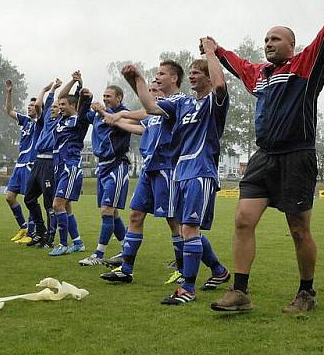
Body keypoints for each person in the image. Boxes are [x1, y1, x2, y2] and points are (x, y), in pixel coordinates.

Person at [209, 0, 324, 314]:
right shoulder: (258, 74)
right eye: (266, 39)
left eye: (276, 38)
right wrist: (214, 48)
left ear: (292, 45)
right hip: (263, 157)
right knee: (243, 220)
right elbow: (236, 63)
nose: (268, 43)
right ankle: (240, 292)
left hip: (297, 156)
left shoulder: (306, 65)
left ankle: (306, 293)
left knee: (298, 230)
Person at [116, 46, 229, 305]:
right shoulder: (183, 103)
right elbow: (151, 106)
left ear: (209, 76)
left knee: (188, 227)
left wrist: (211, 53)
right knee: (188, 229)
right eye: (189, 72)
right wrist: (140, 79)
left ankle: (187, 289)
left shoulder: (215, 101)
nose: (192, 76)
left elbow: (221, 84)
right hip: (180, 172)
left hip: (200, 171)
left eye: (197, 72)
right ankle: (219, 271)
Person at [80, 63, 185, 282]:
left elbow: (141, 111)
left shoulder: (177, 102)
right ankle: (126, 270)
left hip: (166, 168)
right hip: (149, 168)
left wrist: (119, 114)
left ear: (174, 78)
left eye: (159, 78)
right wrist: (116, 115)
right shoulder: (154, 112)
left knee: (172, 220)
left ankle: (184, 270)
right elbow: (137, 120)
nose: (154, 85)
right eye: (153, 82)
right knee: (135, 215)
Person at [49, 71, 93, 256]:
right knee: (65, 206)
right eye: (59, 106)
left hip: (70, 166)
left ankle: (63, 244)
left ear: (74, 106)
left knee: (57, 204)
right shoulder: (61, 119)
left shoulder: (79, 120)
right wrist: (72, 81)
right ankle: (78, 242)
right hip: (58, 166)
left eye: (64, 105)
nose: (60, 108)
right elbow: (61, 96)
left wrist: (80, 83)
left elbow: (83, 100)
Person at [87, 85, 130, 261]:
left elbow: (117, 122)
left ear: (119, 98)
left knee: (107, 210)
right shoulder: (99, 114)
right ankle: (128, 249)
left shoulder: (124, 112)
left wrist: (103, 111)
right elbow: (83, 115)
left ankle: (98, 254)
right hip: (102, 166)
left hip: (117, 165)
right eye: (103, 95)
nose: (105, 99)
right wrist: (85, 98)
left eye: (109, 96)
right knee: (112, 212)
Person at [23, 78, 62, 248]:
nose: (52, 108)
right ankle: (41, 231)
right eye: (52, 106)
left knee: (49, 203)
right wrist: (51, 88)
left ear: (61, 111)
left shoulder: (62, 122)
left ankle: (51, 238)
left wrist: (76, 85)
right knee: (29, 198)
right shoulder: (46, 120)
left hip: (49, 163)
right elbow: (40, 104)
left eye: (56, 107)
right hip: (38, 162)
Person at [4, 80, 41, 243]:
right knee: (10, 197)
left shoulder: (40, 123)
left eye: (33, 106)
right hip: (19, 164)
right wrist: (9, 92)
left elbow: (40, 110)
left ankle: (32, 234)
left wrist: (46, 91)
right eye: (29, 106)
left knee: (30, 199)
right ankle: (24, 227)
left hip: (30, 165)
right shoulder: (25, 121)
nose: (29, 107)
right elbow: (9, 110)